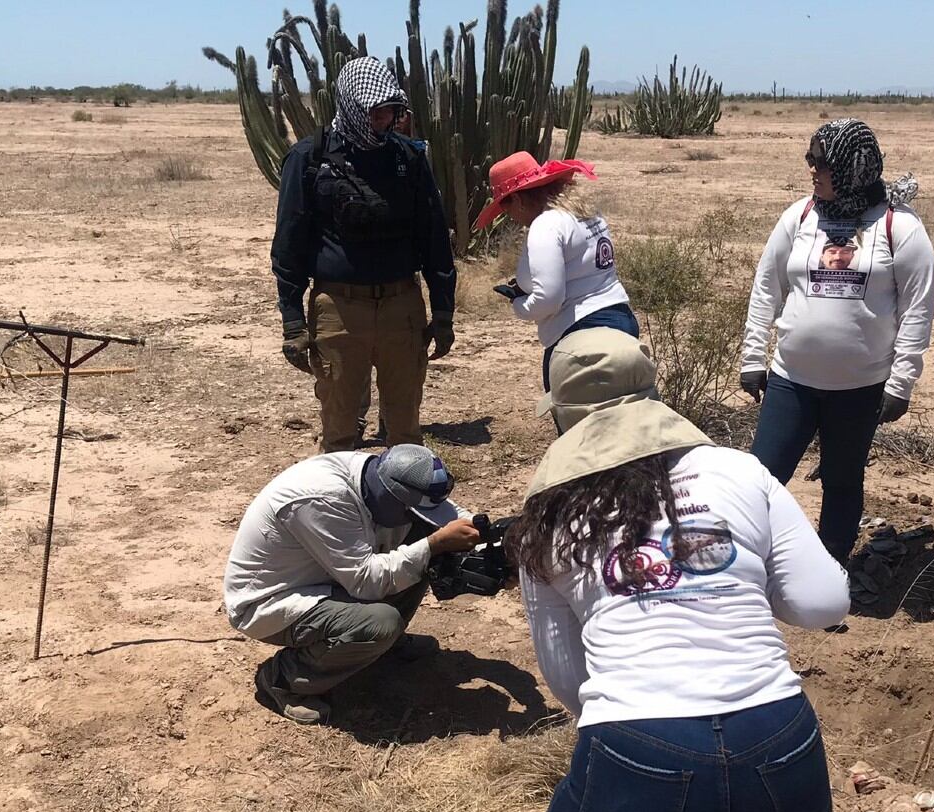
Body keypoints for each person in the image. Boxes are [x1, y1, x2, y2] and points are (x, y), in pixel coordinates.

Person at [508, 327, 850, 812]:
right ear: (652, 396)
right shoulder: (742, 471)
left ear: (563, 417)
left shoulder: (547, 517)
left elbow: (570, 682)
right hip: (780, 746)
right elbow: (823, 604)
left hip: (638, 749)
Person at [740, 118, 934, 564]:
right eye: (810, 159)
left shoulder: (898, 226)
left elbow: (918, 310)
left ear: (855, 165)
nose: (812, 170)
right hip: (791, 380)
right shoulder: (799, 216)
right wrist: (752, 357)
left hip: (860, 388)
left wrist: (901, 383)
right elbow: (766, 288)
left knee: (842, 482)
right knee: (761, 478)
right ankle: (750, 564)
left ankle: (831, 572)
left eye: (822, 162)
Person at [271, 56, 458, 452]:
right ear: (352, 106)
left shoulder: (408, 158)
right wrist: (292, 322)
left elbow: (434, 240)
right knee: (339, 433)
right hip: (338, 311)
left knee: (405, 432)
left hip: (402, 309)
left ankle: (404, 490)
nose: (383, 120)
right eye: (375, 112)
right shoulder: (309, 159)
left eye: (390, 111)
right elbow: (289, 244)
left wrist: (443, 312)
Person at [224, 443, 481, 725]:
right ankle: (283, 679)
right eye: (410, 510)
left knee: (423, 545)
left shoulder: (380, 474)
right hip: (271, 600)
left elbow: (444, 514)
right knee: (382, 620)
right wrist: (433, 544)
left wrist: (491, 539)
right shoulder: (322, 499)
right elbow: (366, 582)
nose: (416, 517)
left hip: (326, 575)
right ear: (390, 496)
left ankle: (379, 648)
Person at [473, 151, 639, 388]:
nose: (511, 218)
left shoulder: (546, 224)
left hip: (580, 337)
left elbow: (549, 299)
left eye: (507, 209)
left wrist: (519, 305)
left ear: (518, 200)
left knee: (572, 413)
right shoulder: (586, 213)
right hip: (623, 322)